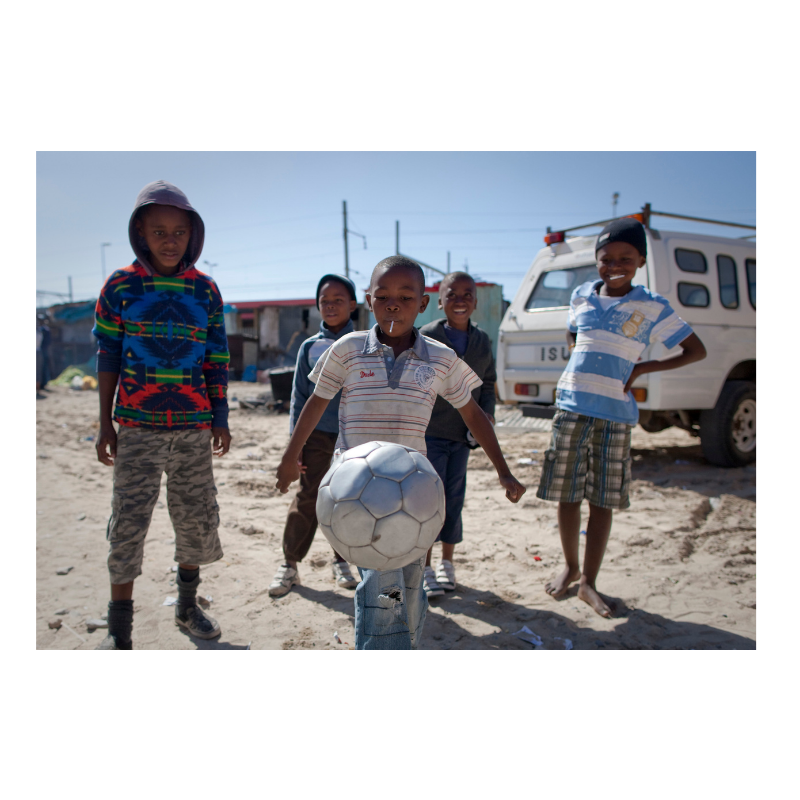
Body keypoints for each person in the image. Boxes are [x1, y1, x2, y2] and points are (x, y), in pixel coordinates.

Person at [275, 256, 525, 650]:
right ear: (369, 300)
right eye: (384, 296)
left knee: (409, 585)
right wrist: (291, 456)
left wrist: (503, 470)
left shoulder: (440, 358)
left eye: (406, 297)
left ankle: (401, 640)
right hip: (357, 492)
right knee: (381, 589)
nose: (394, 304)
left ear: (423, 304)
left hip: (414, 492)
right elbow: (316, 401)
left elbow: (473, 414)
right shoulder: (349, 349)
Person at [538, 217, 707, 617]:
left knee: (603, 500)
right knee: (567, 493)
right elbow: (572, 335)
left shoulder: (652, 306)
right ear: (596, 260)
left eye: (625, 258)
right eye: (606, 258)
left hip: (615, 415)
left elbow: (695, 350)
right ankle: (570, 566)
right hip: (571, 407)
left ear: (641, 261)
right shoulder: (581, 294)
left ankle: (589, 584)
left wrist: (642, 369)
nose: (614, 265)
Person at [92, 180, 232, 649]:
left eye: (179, 231)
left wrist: (221, 416)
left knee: (193, 519)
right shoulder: (120, 286)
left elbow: (216, 358)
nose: (170, 240)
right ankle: (119, 630)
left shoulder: (206, 291)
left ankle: (188, 608)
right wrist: (103, 422)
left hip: (193, 427)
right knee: (128, 523)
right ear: (140, 233)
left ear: (193, 235)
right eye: (159, 231)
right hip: (136, 427)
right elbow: (108, 353)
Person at [268, 274, 361, 596]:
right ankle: (290, 564)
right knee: (309, 497)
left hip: (356, 440)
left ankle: (341, 560)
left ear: (353, 304)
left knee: (349, 502)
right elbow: (299, 398)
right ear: (318, 306)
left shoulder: (366, 343)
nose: (331, 305)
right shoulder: (310, 347)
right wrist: (296, 445)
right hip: (318, 438)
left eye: (339, 299)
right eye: (325, 300)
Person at [418, 272, 496, 596]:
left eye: (468, 294)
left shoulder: (482, 341)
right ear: (440, 300)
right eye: (452, 294)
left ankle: (447, 564)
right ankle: (424, 568)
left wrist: (487, 415)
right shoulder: (427, 336)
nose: (460, 300)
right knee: (427, 502)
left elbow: (488, 382)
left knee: (453, 500)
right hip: (429, 434)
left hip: (462, 438)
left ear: (476, 302)